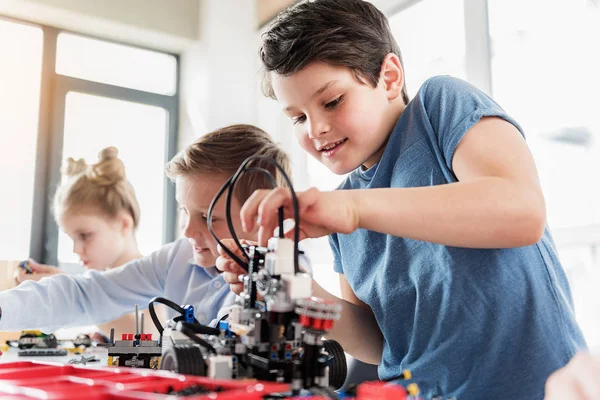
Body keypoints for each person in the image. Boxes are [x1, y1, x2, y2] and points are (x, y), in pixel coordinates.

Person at [216, 1, 586, 398]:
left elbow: (521, 211)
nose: (317, 129)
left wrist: (354, 211)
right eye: (298, 118)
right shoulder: (342, 215)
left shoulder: (438, 109)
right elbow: (378, 342)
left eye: (332, 101)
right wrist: (297, 292)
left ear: (389, 77)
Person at [0, 124, 292, 335]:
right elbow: (87, 294)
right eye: (183, 212)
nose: (188, 231)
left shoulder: (286, 274)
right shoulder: (177, 258)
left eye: (206, 217)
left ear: (262, 217)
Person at [14, 147, 152, 338]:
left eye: (85, 235)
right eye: (71, 238)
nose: (76, 249)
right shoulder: (103, 285)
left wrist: (73, 293)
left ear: (124, 224)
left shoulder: (155, 277)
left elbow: (145, 335)